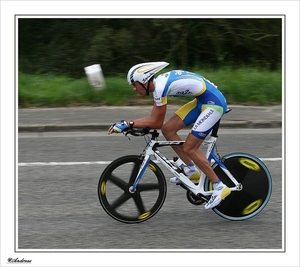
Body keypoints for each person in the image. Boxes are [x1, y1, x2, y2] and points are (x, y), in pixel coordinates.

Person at [108, 61, 231, 209]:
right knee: (168, 130)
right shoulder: (158, 86)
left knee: (190, 148)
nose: (134, 89)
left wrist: (128, 123)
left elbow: (155, 122)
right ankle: (191, 170)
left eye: (135, 85)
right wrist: (131, 124)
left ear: (144, 81)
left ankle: (219, 186)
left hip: (214, 103)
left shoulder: (159, 87)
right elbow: (156, 122)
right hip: (202, 100)